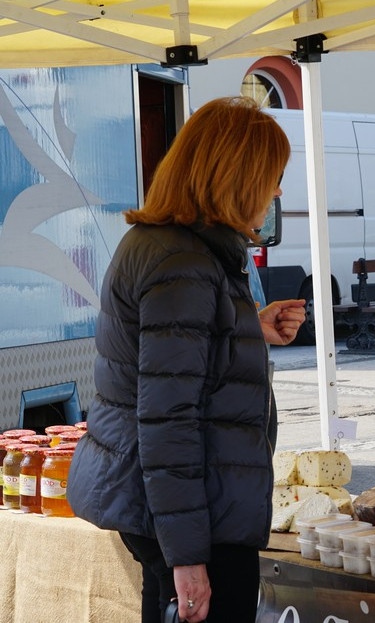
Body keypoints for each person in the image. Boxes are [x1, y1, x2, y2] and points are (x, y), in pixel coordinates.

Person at [67, 96, 291, 623]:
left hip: (183, 508)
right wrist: (187, 557)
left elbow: (177, 361)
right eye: (272, 177)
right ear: (236, 177)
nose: (278, 191)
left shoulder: (171, 247)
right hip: (195, 516)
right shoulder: (183, 261)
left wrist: (247, 327)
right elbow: (168, 419)